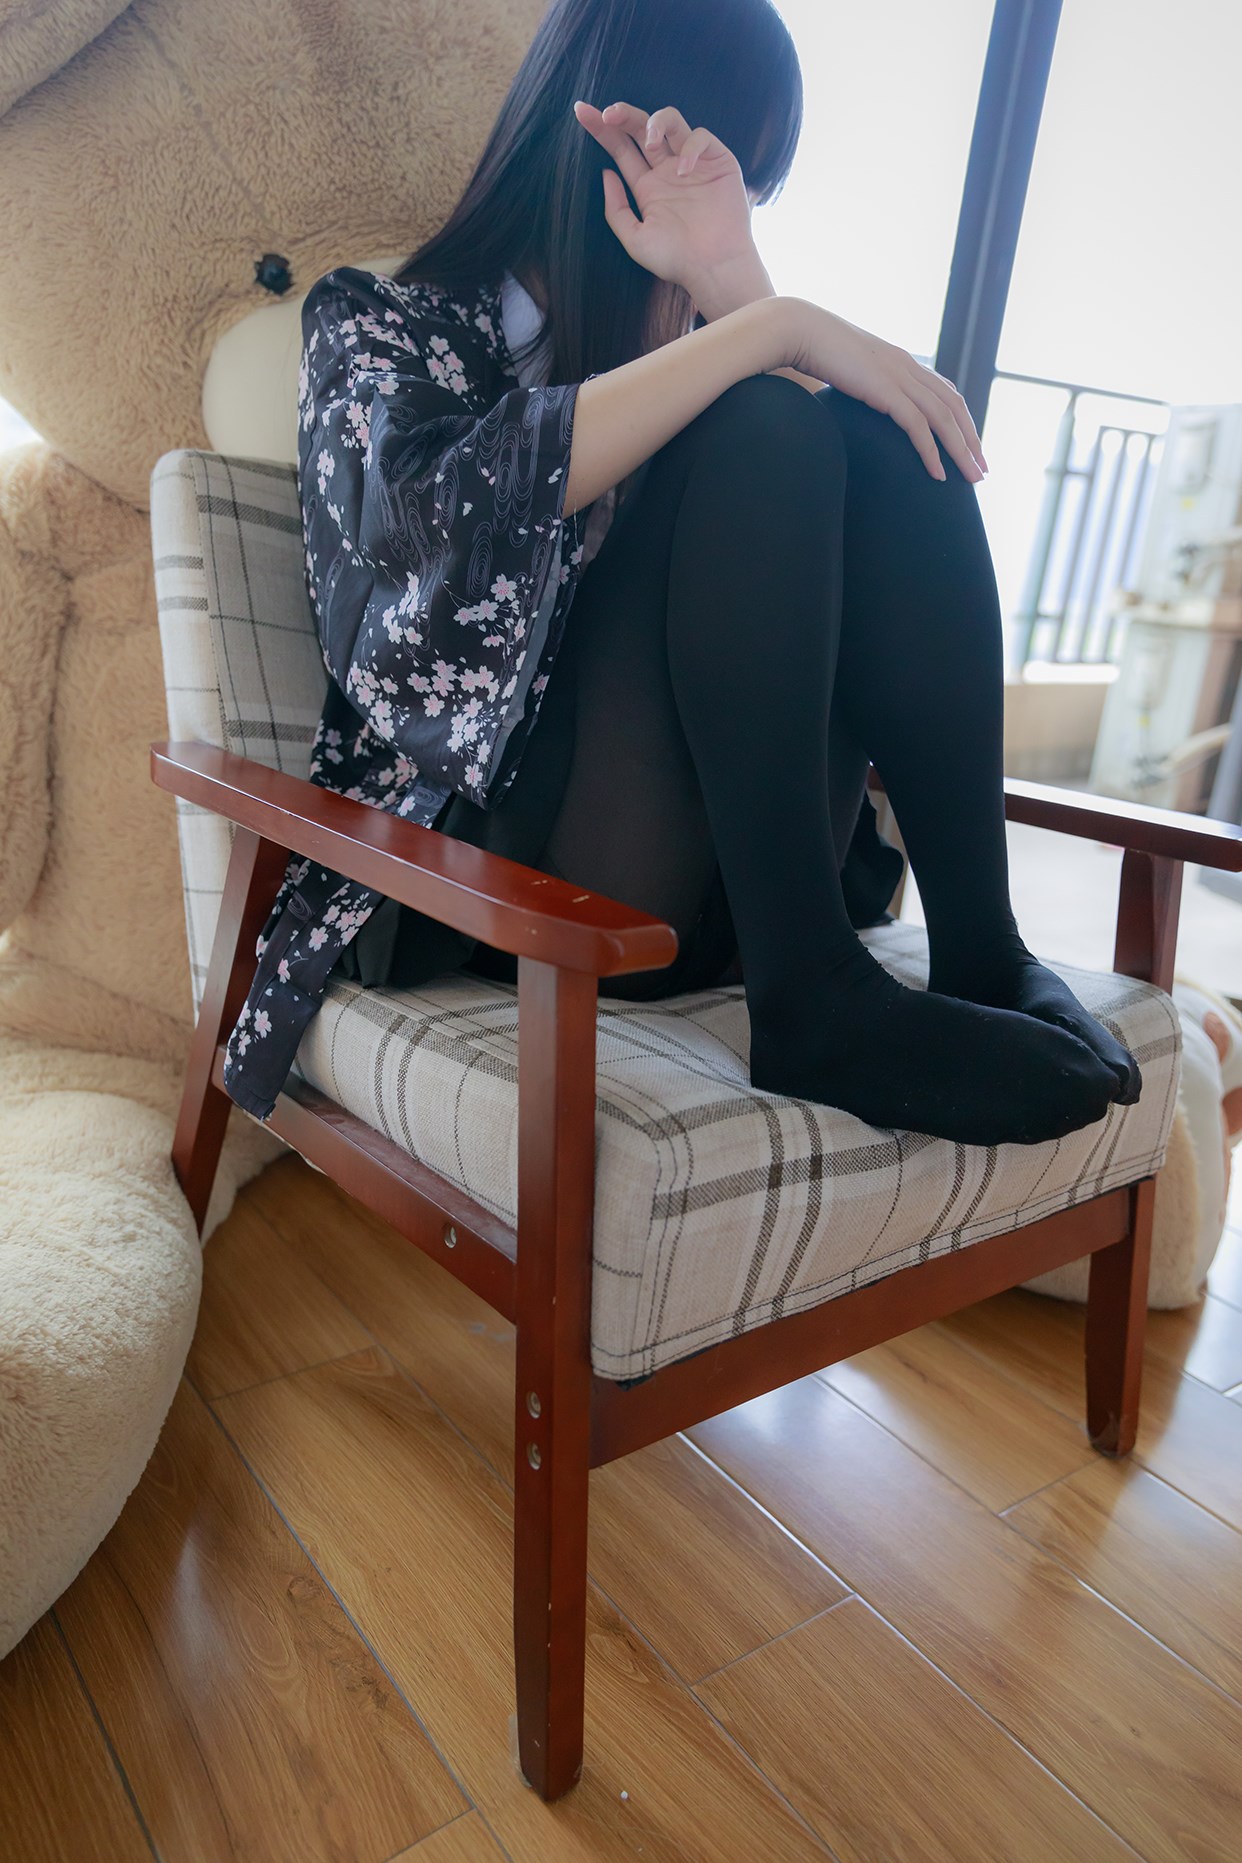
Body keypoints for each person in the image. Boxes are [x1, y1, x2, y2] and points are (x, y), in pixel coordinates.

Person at [225, 0, 1142, 1145]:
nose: (726, 201)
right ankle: (814, 999)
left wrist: (738, 286)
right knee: (773, 418)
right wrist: (775, 329)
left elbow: (837, 533)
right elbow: (425, 522)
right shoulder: (381, 322)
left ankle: (980, 952)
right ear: (607, 144)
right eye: (714, 165)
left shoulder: (696, 351)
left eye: (749, 189)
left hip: (734, 890)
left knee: (882, 435)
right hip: (524, 883)